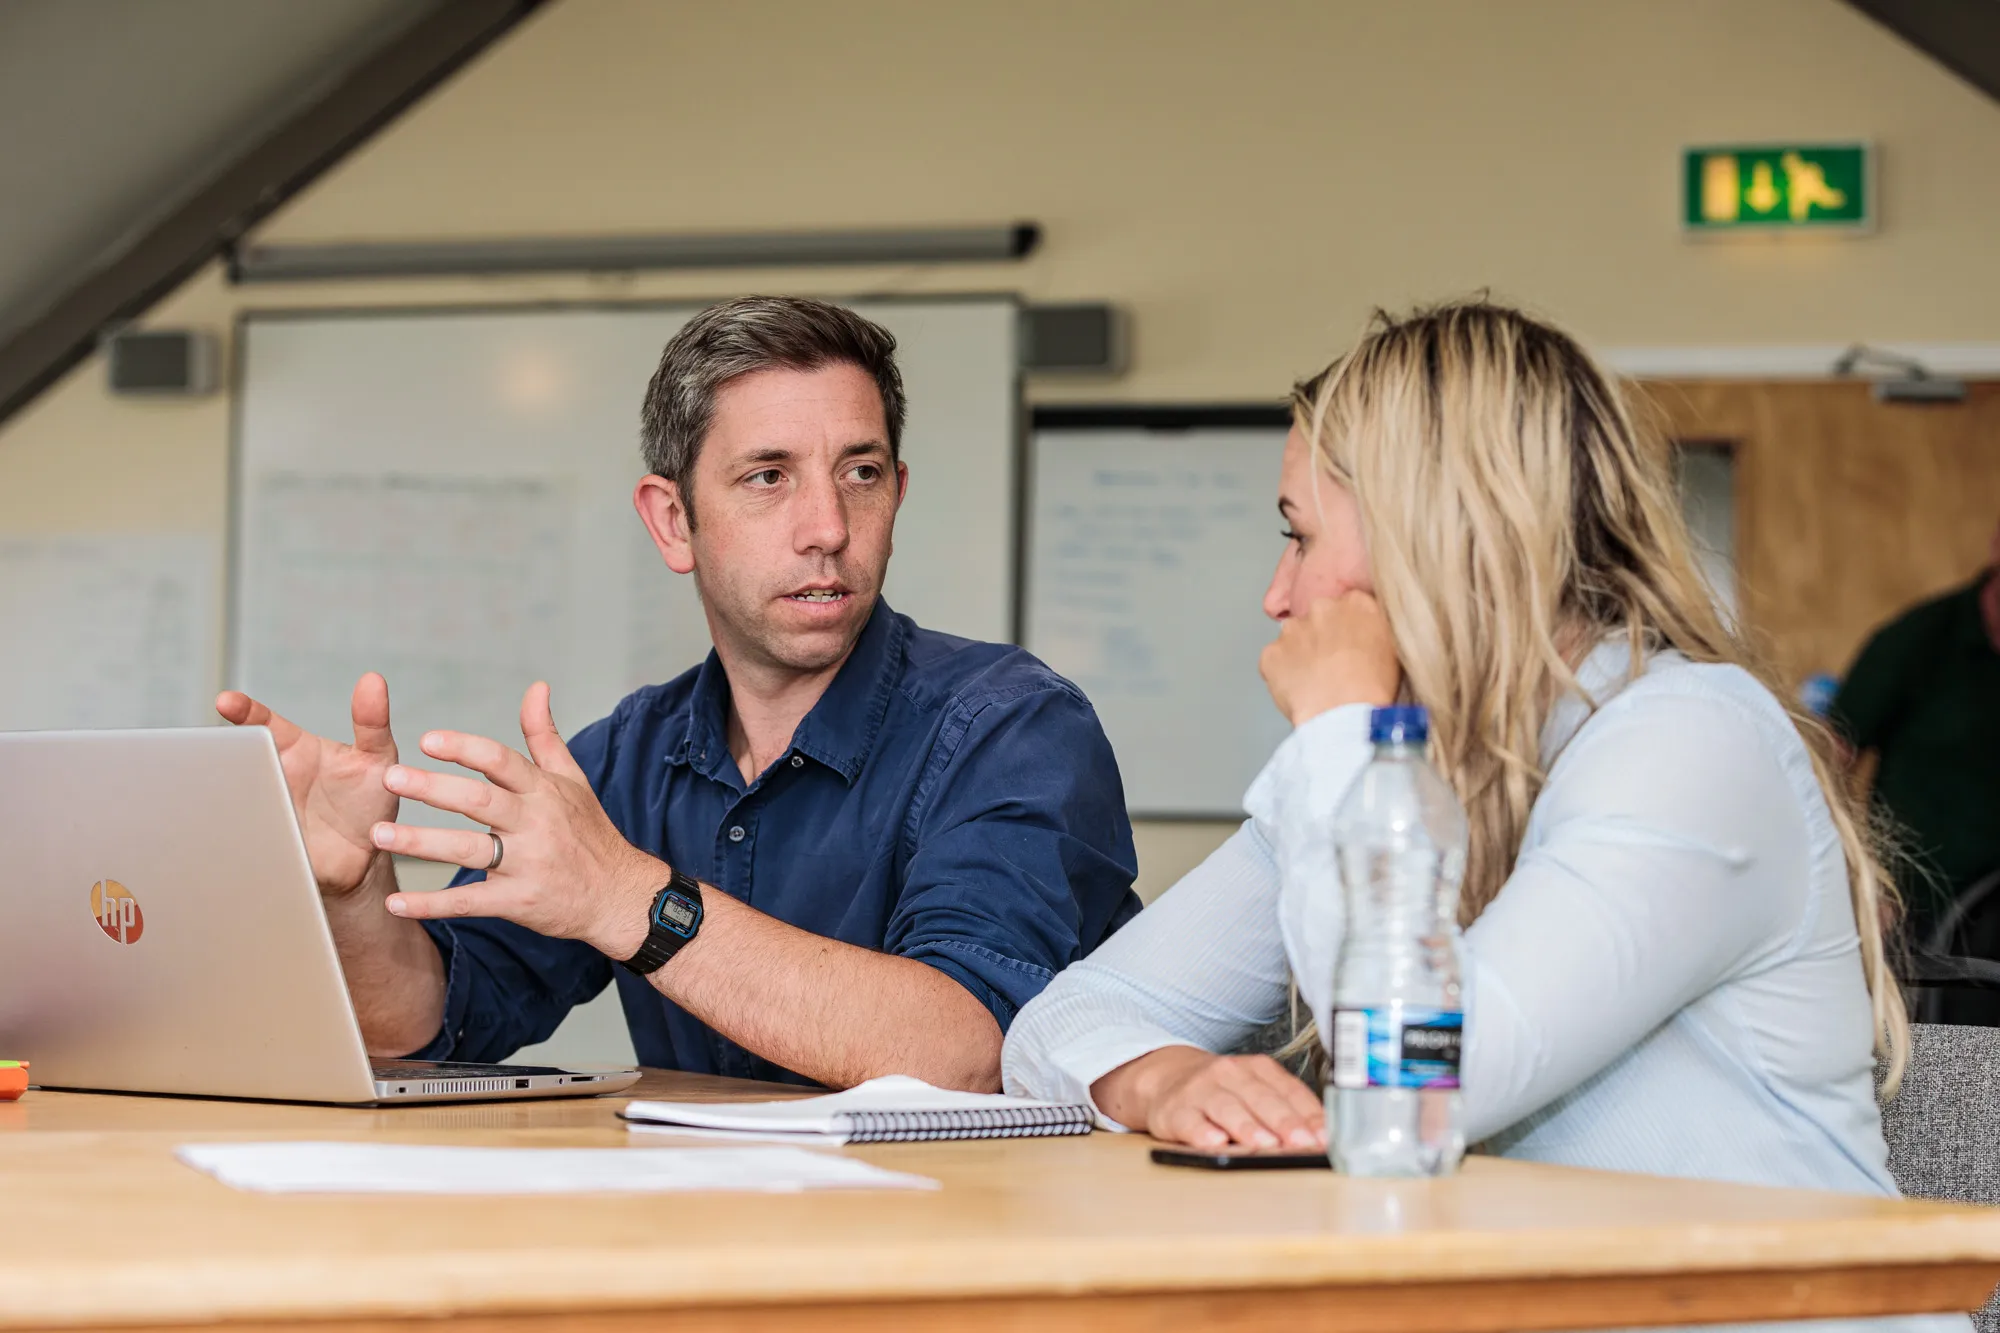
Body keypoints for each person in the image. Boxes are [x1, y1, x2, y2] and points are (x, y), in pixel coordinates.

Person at [1003, 302, 1923, 1231]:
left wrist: (1341, 739)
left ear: (1435, 538)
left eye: (1302, 536)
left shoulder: (1691, 742)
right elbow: (1059, 1025)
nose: (1278, 595)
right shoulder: (1388, 762)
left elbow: (1411, 1093)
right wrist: (1165, 1079)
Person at [218, 296, 1140, 1091]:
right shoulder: (621, 758)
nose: (827, 527)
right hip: (702, 1255)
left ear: (896, 492)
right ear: (672, 521)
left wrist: (626, 897)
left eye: (860, 473)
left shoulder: (1012, 726)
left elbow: (966, 1051)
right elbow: (426, 1028)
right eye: (768, 478)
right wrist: (348, 892)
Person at [1829, 524, 2000, 958]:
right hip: (1918, 920)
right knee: (1936, 1031)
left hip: (1995, 918)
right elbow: (1828, 760)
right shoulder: (1921, 639)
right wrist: (1859, 874)